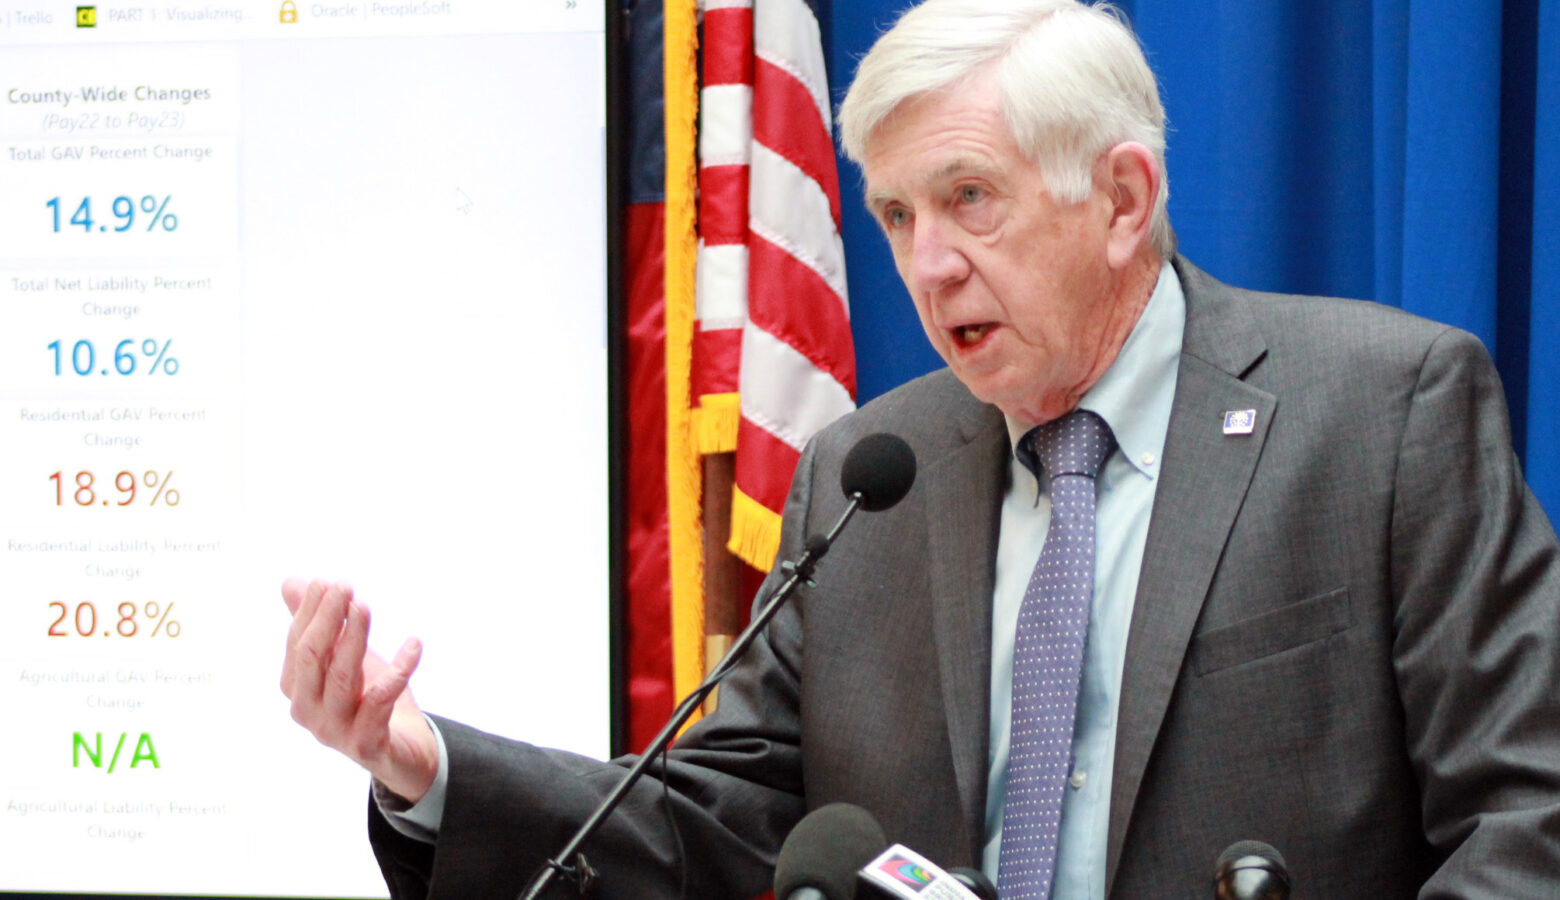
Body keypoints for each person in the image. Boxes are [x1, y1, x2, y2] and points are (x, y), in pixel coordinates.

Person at [280, 1, 1560, 897]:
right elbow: (723, 823)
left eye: (970, 200)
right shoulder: (865, 475)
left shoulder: (1383, 412)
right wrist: (427, 767)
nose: (928, 264)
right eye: (895, 214)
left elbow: (1529, 814)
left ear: (1122, 200)